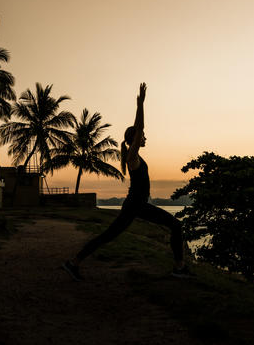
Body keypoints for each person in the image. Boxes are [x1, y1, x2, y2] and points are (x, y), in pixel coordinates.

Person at [62, 83, 194, 281]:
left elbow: (139, 130)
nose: (145, 138)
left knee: (109, 235)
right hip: (136, 205)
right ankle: (179, 268)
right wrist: (141, 104)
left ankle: (74, 263)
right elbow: (140, 127)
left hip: (136, 205)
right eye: (142, 137)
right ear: (136, 139)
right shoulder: (133, 156)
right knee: (175, 225)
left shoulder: (134, 156)